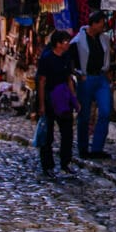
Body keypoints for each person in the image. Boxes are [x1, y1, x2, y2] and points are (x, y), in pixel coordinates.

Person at [70, 11, 113, 159]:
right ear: (94, 24)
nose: (103, 26)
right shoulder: (78, 40)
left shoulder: (105, 39)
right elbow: (71, 61)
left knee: (106, 111)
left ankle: (97, 148)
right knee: (85, 114)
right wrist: (78, 74)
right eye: (101, 23)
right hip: (86, 78)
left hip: (101, 77)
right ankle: (83, 148)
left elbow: (107, 58)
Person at [36, 30, 77, 176]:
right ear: (58, 44)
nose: (68, 44)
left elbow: (69, 79)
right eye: (65, 41)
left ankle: (65, 162)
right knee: (48, 134)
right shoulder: (46, 58)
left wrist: (74, 99)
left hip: (64, 99)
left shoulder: (66, 57)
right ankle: (48, 165)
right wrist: (41, 104)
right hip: (49, 98)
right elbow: (41, 81)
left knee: (67, 133)